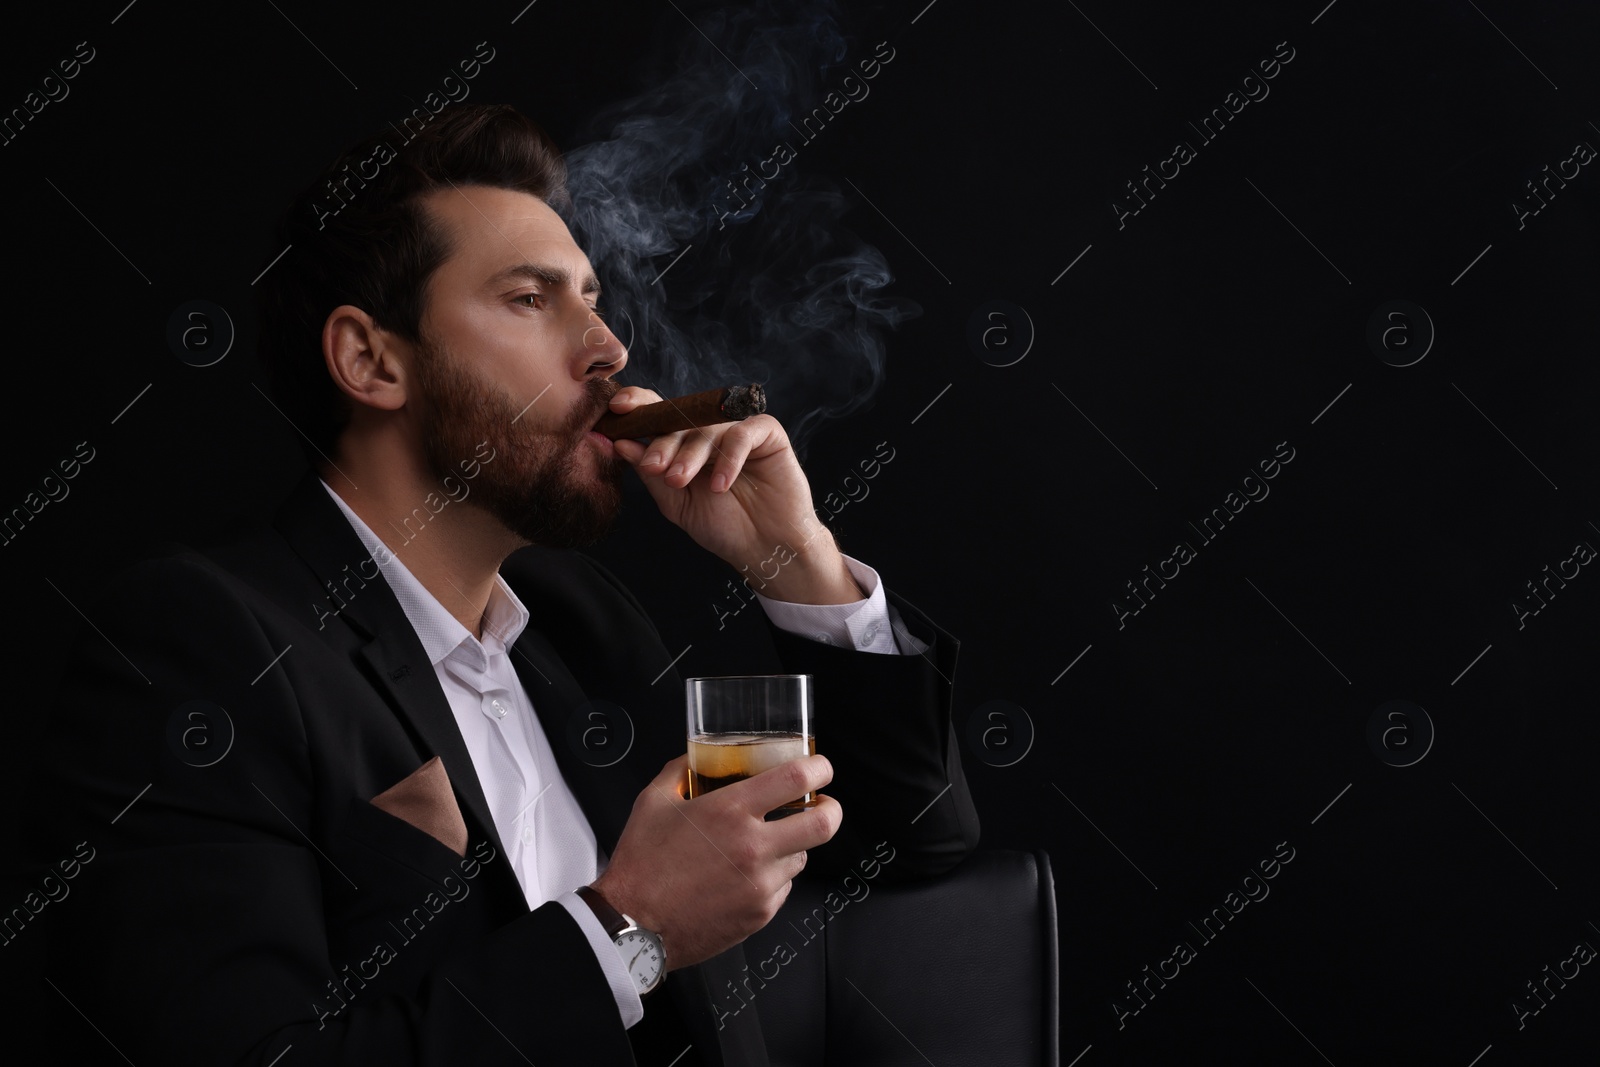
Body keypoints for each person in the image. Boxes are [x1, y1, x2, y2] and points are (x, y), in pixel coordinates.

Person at [25, 103, 977, 1066]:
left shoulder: (585, 630)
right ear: (371, 360)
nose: (608, 349)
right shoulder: (206, 641)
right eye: (531, 299)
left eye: (593, 298)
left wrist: (797, 560)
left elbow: (914, 847)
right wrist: (631, 925)